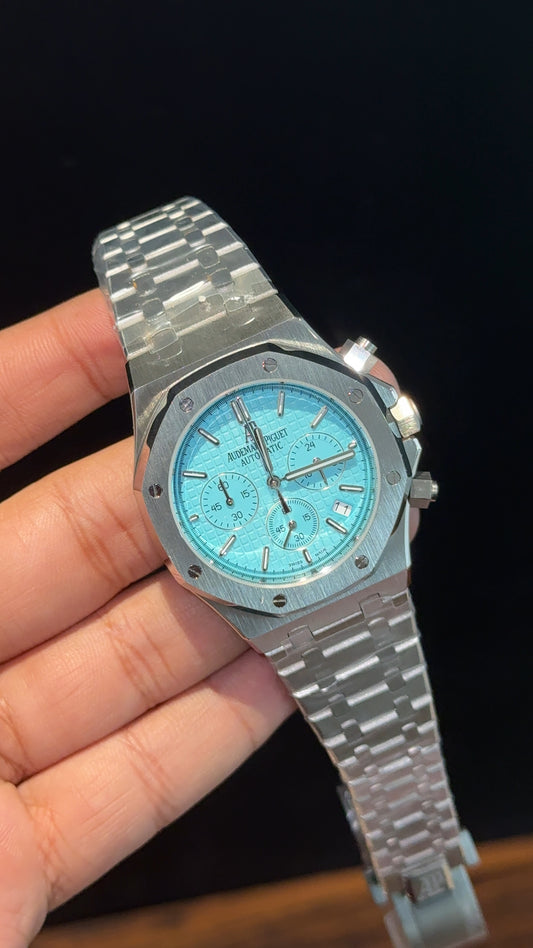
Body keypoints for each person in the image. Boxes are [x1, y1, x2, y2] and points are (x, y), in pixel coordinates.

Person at [0, 289, 412, 946]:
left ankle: (419, 859)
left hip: (345, 559)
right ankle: (420, 866)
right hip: (274, 578)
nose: (275, 484)